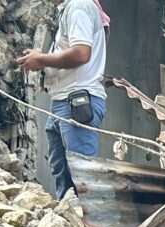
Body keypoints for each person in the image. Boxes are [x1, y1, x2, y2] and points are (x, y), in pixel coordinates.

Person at [16, 0, 109, 201]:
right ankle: (67, 226)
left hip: (76, 100)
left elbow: (81, 53)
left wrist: (41, 60)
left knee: (81, 176)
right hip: (63, 101)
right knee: (64, 174)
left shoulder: (79, 5)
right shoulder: (70, 8)